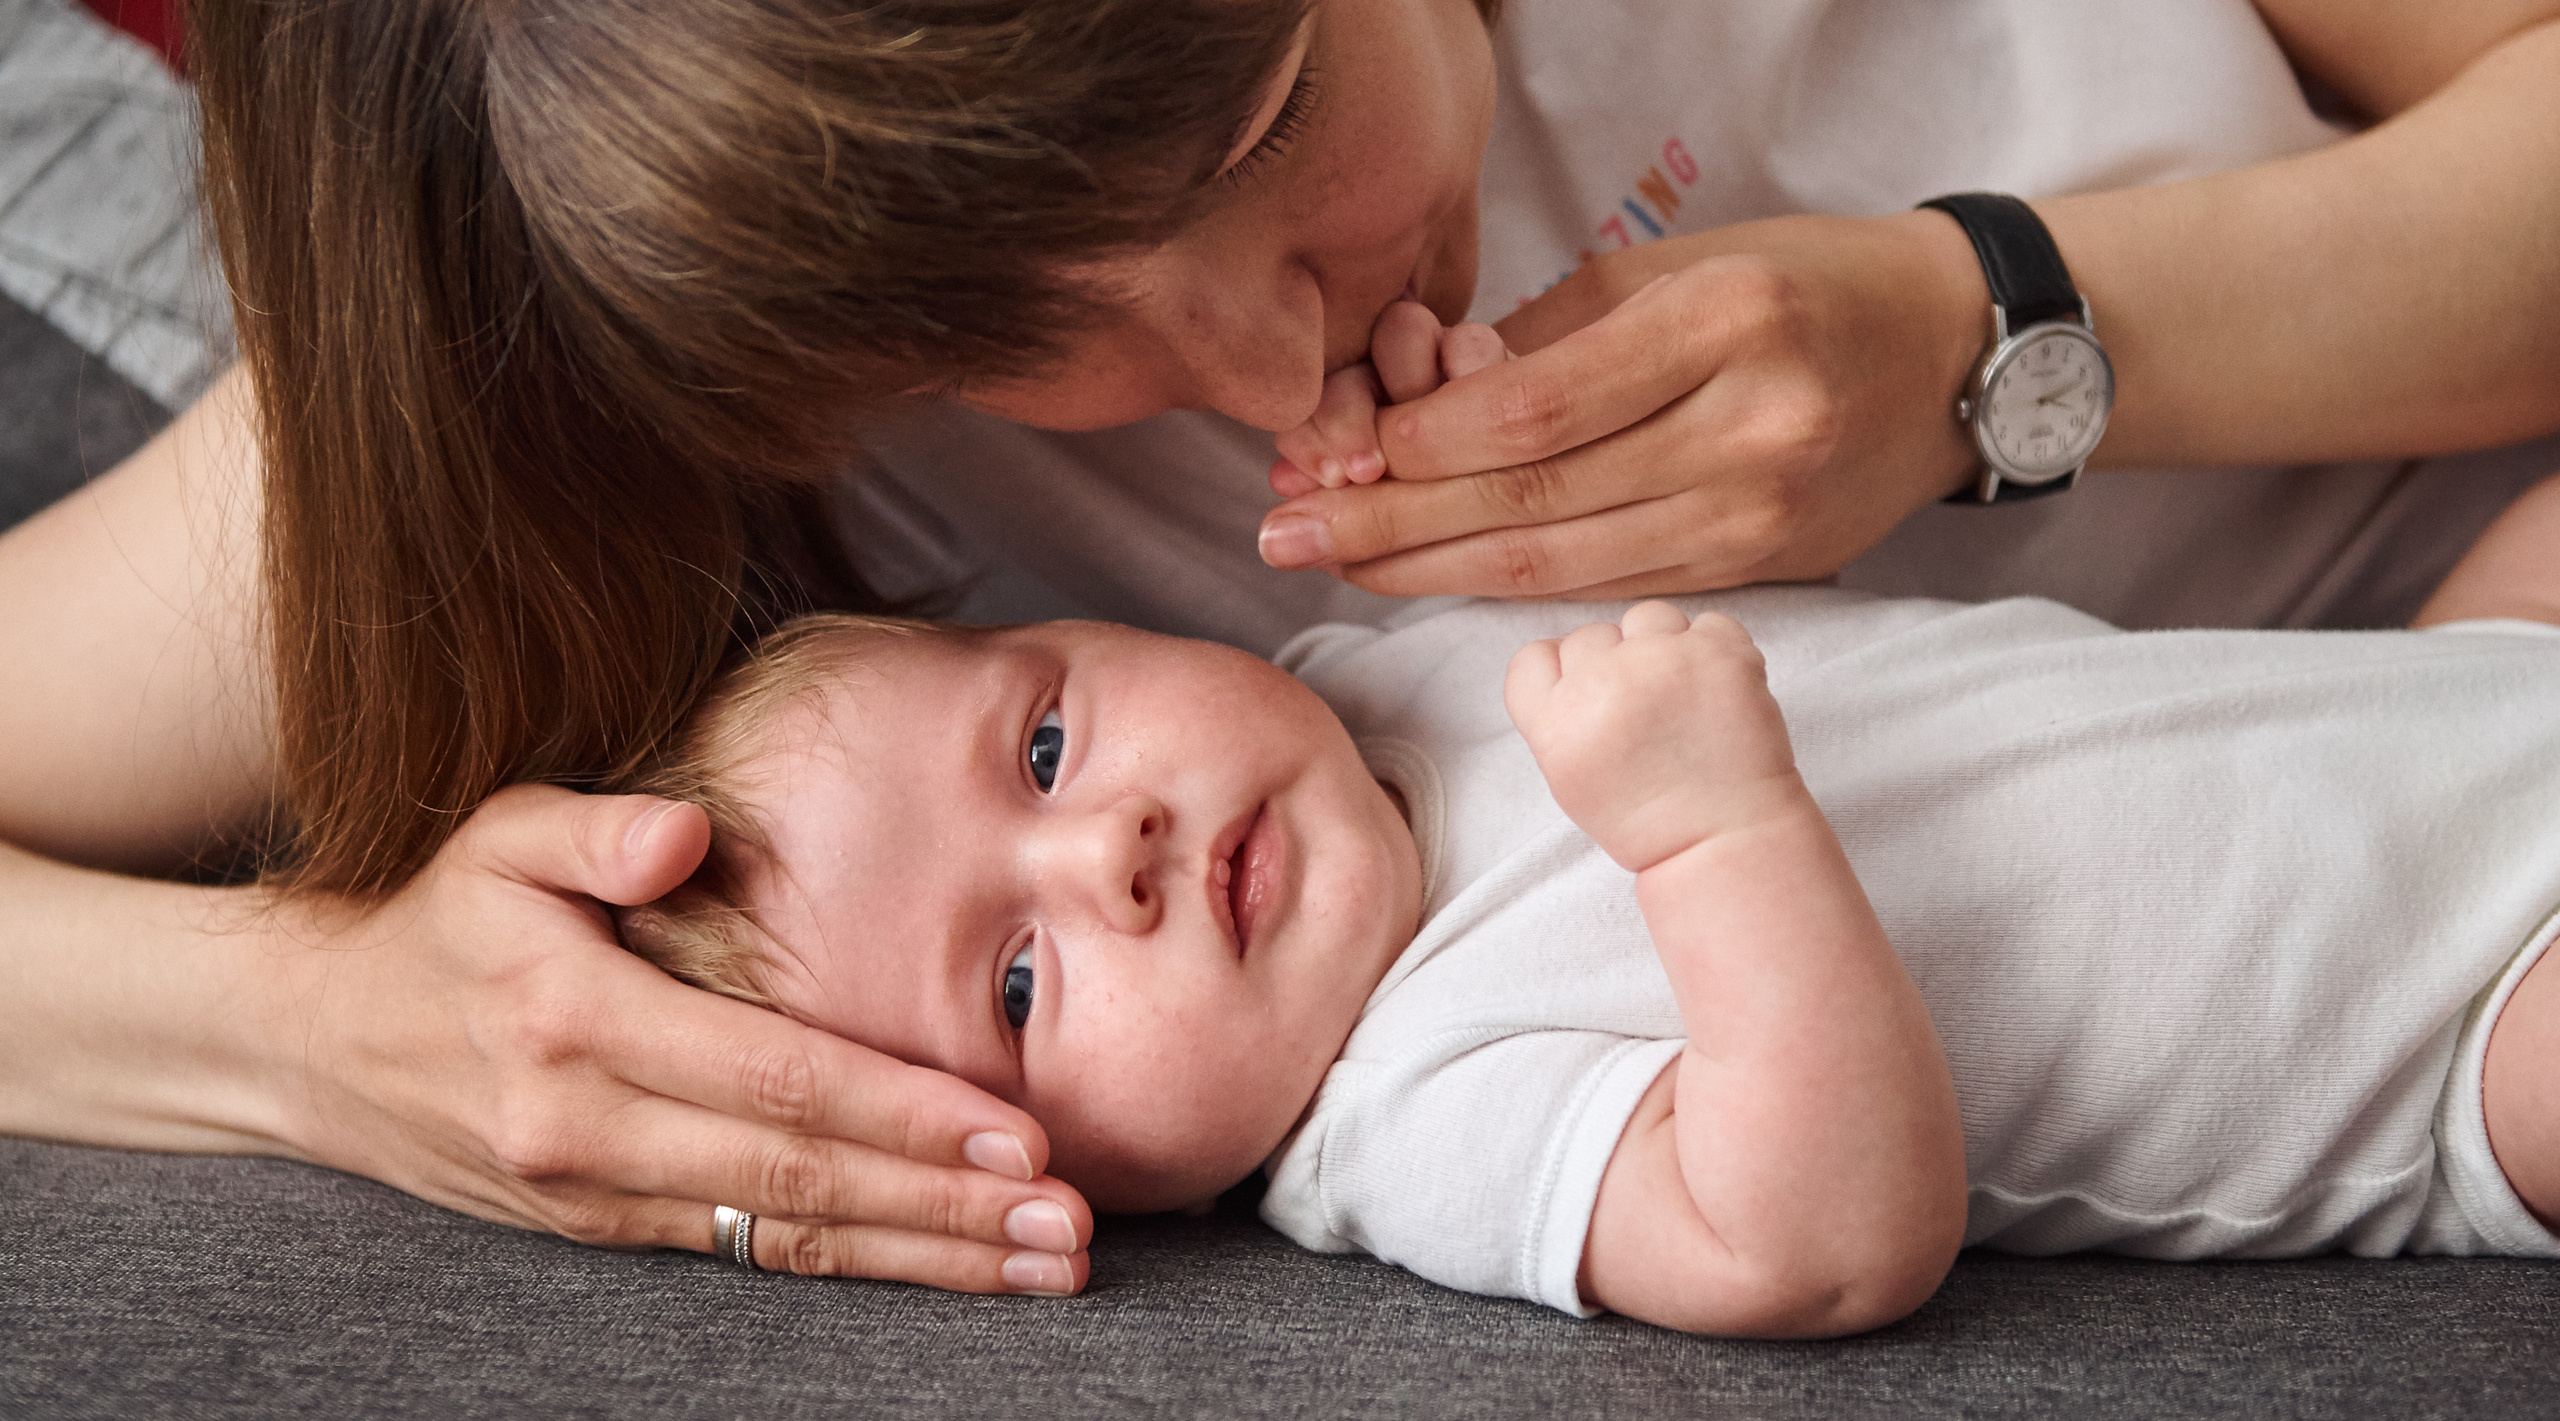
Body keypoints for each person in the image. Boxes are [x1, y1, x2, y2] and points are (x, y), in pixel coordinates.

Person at [6, 0, 2560, 1294]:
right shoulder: (642, 322)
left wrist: (1993, 336)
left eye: (1251, 121)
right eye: (996, 342)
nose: (1246, 364)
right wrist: (305, 1029)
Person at [600, 473, 2560, 1333]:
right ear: (1037, 1160)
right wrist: (1713, 840)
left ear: (1082, 626)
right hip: (2451, 1034)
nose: (1098, 851)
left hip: (2439, 686)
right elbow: (1812, 1244)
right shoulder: (1406, 1113)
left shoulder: (1365, 672)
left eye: (1039, 750)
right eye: (1016, 985)